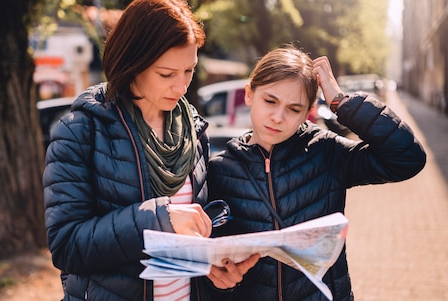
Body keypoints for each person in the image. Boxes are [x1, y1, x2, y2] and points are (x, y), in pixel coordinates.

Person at [42, 0, 258, 300]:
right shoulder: (79, 131)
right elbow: (67, 246)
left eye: (189, 70)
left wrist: (213, 268)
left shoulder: (192, 130)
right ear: (133, 63)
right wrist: (158, 219)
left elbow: (193, 233)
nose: (181, 86)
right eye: (167, 74)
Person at [207, 45, 427, 300]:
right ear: (249, 94)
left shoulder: (326, 152)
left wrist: (341, 103)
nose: (278, 117)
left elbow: (407, 158)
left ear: (307, 111)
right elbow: (214, 262)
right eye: (270, 101)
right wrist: (222, 282)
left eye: (293, 108)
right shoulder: (220, 169)